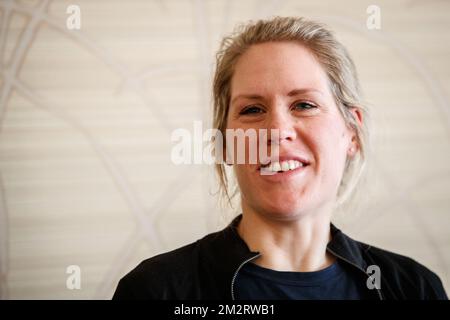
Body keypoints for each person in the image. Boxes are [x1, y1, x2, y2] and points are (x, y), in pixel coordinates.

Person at [112, 16, 448, 300]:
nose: (276, 130)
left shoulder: (414, 289)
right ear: (225, 144)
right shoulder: (156, 291)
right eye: (253, 109)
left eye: (304, 105)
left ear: (352, 133)